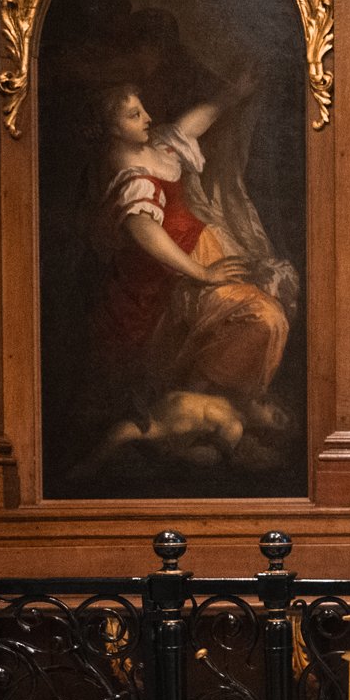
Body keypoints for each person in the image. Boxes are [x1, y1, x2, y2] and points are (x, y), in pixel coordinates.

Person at [81, 79, 296, 466]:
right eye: (134, 115)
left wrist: (233, 93)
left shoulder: (150, 148)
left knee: (270, 301)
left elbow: (186, 128)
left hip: (203, 256)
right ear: (111, 128)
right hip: (173, 280)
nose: (147, 117)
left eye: (143, 108)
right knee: (264, 319)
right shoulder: (128, 177)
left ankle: (218, 419)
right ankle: (198, 419)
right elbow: (146, 232)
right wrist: (202, 273)